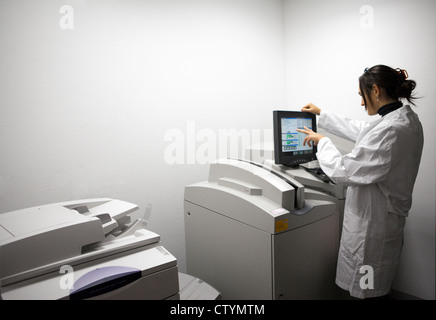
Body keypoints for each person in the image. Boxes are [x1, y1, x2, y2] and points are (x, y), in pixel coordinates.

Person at [296, 65, 424, 299]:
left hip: (372, 227)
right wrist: (322, 115)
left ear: (375, 90)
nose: (362, 103)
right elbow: (364, 131)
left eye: (361, 95)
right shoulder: (403, 119)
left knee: (365, 289)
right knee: (370, 286)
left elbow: (343, 171)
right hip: (382, 219)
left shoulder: (391, 131)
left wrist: (322, 142)